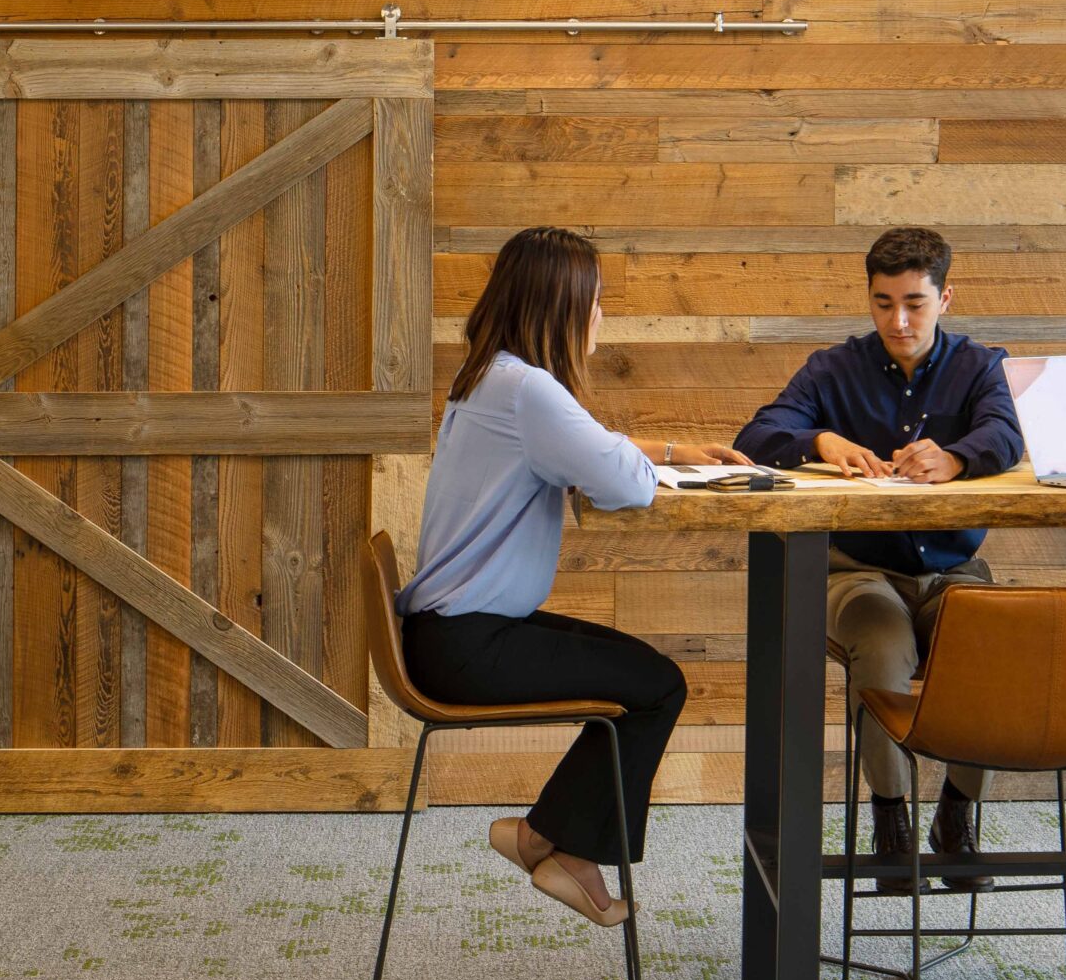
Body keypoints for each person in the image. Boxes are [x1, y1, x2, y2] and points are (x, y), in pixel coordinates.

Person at [397, 225, 747, 928]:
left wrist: (672, 448)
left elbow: (592, 447)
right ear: (561, 306)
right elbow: (624, 483)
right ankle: (570, 853)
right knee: (658, 687)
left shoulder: (492, 377)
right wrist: (654, 460)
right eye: (595, 302)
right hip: (468, 647)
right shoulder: (528, 390)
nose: (600, 316)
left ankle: (539, 838)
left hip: (454, 633)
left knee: (643, 675)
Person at [734, 226, 1025, 868]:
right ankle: (890, 818)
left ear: (945, 298)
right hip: (856, 571)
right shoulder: (831, 369)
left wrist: (955, 457)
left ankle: (956, 812)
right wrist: (821, 441)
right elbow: (756, 435)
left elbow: (1007, 435)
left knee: (994, 643)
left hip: (953, 570)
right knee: (883, 645)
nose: (898, 321)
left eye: (914, 303)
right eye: (883, 303)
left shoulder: (981, 367)